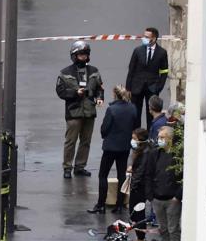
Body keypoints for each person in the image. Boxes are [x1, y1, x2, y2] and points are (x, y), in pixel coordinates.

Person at [56, 40, 104, 179]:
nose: (83, 57)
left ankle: (80, 166)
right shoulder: (65, 73)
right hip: (73, 112)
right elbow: (60, 91)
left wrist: (100, 98)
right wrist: (74, 93)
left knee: (86, 141)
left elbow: (100, 88)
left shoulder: (94, 71)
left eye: (85, 54)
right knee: (70, 141)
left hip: (89, 112)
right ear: (74, 55)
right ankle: (67, 167)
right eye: (80, 54)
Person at [91, 85, 138, 215]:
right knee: (121, 175)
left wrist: (106, 136)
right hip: (124, 147)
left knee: (103, 175)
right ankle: (119, 204)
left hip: (110, 147)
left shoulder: (112, 109)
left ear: (114, 94)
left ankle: (101, 204)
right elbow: (135, 125)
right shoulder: (132, 108)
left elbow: (104, 129)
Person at [144, 125, 182, 241]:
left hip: (172, 200)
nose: (160, 140)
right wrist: (150, 196)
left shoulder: (177, 155)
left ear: (170, 139)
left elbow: (183, 177)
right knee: (163, 230)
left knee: (173, 231)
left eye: (162, 137)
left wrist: (177, 196)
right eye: (159, 137)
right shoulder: (155, 154)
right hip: (157, 199)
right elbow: (149, 175)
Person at [125, 27, 169, 126]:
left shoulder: (162, 53)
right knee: (135, 113)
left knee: (151, 115)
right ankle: (137, 136)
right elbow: (131, 69)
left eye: (146, 37)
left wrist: (159, 87)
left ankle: (150, 137)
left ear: (154, 38)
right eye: (144, 36)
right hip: (136, 87)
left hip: (152, 88)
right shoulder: (137, 51)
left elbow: (164, 71)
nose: (143, 38)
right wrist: (128, 88)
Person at [127, 128, 151, 224]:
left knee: (137, 212)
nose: (132, 140)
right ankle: (139, 236)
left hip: (140, 186)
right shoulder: (140, 150)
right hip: (139, 185)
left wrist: (132, 185)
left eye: (134, 138)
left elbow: (141, 170)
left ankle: (141, 237)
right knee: (135, 212)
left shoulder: (145, 152)